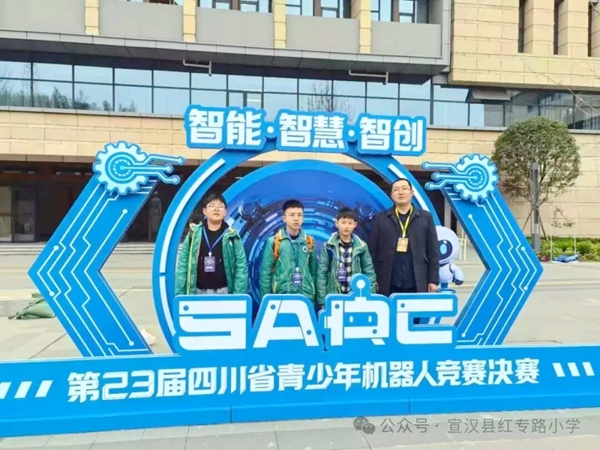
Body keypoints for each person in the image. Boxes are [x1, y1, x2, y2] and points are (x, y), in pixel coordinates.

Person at [368, 179, 439, 324]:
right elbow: (372, 251)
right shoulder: (381, 218)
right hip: (388, 280)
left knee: (414, 322)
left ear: (411, 193)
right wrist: (374, 278)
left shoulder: (425, 217)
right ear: (391, 195)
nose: (400, 192)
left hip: (417, 280)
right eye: (396, 189)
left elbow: (433, 250)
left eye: (404, 188)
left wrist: (433, 280)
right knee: (389, 322)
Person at [175, 192, 248, 296]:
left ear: (225, 212)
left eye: (220, 206)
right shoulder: (194, 235)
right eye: (212, 206)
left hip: (225, 292)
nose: (216, 209)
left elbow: (241, 267)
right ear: (204, 211)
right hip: (198, 292)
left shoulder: (232, 236)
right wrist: (180, 294)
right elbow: (183, 265)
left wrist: (238, 296)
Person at [259, 199, 318, 304]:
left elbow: (314, 272)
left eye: (299, 215)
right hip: (281, 296)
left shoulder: (309, 241)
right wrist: (266, 300)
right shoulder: (274, 241)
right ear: (284, 218)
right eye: (292, 215)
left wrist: (315, 296)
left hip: (306, 296)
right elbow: (266, 273)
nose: (296, 219)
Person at [316, 207, 377, 308]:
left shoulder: (361, 247)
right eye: (343, 222)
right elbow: (322, 273)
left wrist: (370, 296)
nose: (346, 226)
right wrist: (322, 300)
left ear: (355, 225)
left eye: (350, 223)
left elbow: (369, 271)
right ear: (337, 223)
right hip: (334, 296)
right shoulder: (328, 246)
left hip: (356, 296)